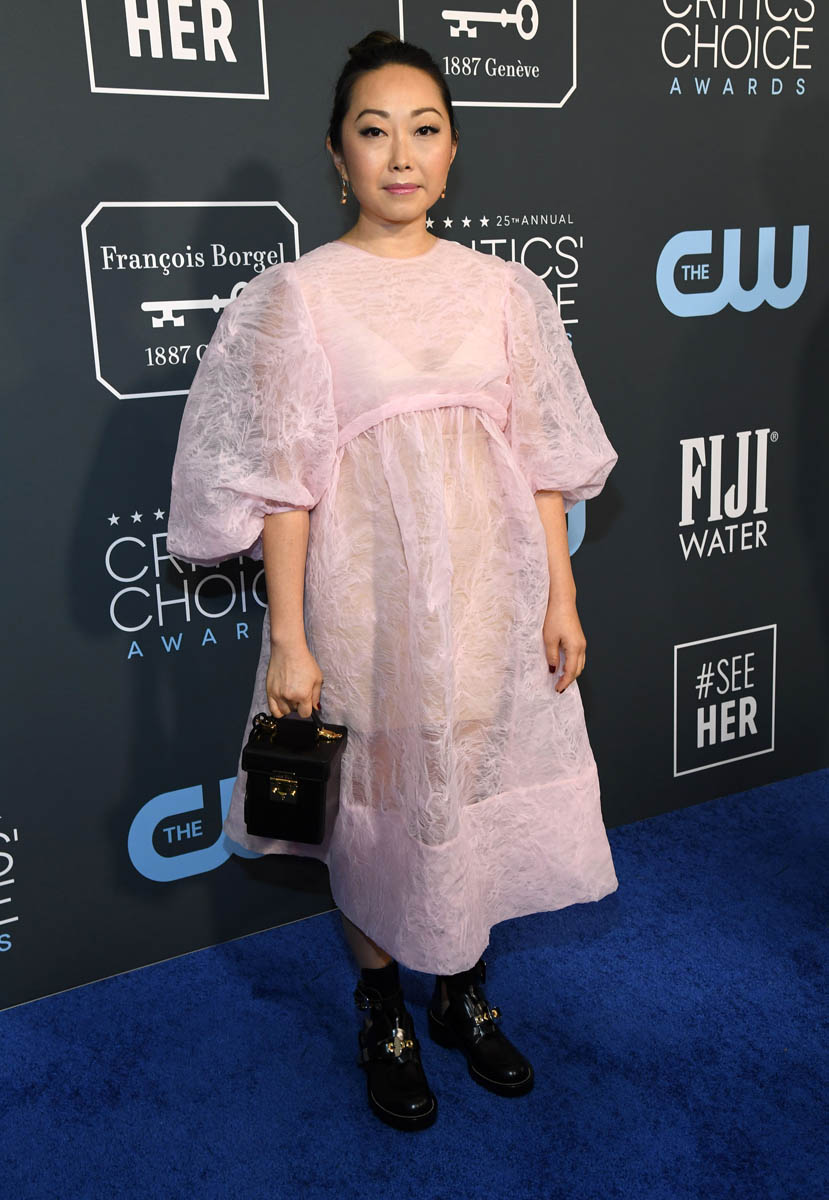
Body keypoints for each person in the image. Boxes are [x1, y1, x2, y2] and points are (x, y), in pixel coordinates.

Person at [167, 29, 619, 1133]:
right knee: (371, 805)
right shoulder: (297, 297)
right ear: (339, 155)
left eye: (424, 130)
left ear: (453, 151)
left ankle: (461, 991)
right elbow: (283, 485)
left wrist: (559, 598)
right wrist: (290, 639)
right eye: (374, 131)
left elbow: (544, 463)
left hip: (488, 602)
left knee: (463, 784)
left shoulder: (506, 291)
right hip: (362, 611)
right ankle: (383, 1012)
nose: (401, 154)